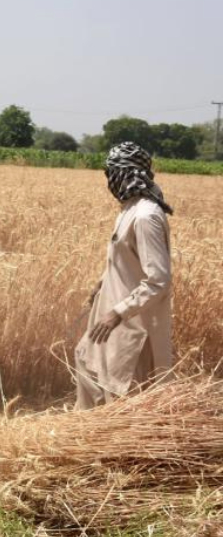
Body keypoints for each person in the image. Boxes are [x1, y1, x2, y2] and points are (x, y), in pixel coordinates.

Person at [74, 142, 174, 409]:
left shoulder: (145, 217)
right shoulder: (130, 209)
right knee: (88, 366)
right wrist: (102, 283)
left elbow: (159, 280)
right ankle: (87, 439)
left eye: (111, 173)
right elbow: (127, 261)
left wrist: (118, 312)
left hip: (131, 323)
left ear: (127, 173)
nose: (109, 180)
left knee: (121, 393)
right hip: (112, 312)